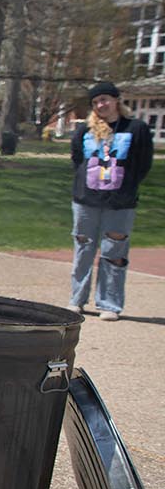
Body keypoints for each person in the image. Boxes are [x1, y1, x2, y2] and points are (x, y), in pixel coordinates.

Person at [69, 80, 153, 320]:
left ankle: (109, 304)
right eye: (95, 102)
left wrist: (125, 187)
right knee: (83, 250)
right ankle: (77, 300)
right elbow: (77, 160)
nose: (100, 105)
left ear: (117, 100)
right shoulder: (84, 130)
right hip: (86, 201)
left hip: (120, 203)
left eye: (104, 99)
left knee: (114, 252)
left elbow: (143, 163)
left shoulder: (135, 128)